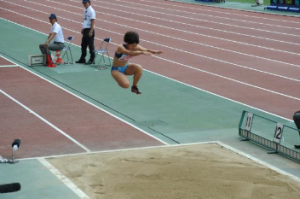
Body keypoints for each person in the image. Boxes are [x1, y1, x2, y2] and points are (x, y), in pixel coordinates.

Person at [76, 0, 96, 65]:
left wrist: (91, 31)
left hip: (89, 30)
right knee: (83, 45)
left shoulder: (91, 11)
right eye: (83, 3)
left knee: (90, 46)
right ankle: (82, 58)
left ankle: (92, 59)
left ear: (89, 2)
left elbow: (92, 21)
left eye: (86, 2)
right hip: (85, 30)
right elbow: (85, 20)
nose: (84, 4)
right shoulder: (85, 10)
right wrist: (83, 28)